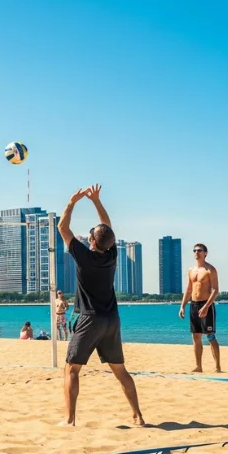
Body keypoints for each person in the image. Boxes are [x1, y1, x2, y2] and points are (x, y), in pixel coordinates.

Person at [57, 183, 144, 427]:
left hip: (90, 319)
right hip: (111, 320)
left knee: (71, 369)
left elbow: (62, 227)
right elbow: (107, 228)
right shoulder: (112, 254)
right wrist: (96, 201)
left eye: (91, 234)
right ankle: (138, 415)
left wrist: (72, 201)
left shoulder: (84, 256)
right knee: (120, 371)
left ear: (92, 242)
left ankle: (69, 419)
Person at [178, 243, 221, 372]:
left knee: (210, 335)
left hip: (206, 305)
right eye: (194, 250)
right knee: (196, 336)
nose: (196, 252)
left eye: (199, 250)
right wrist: (182, 306)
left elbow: (216, 290)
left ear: (205, 253)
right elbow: (189, 289)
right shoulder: (191, 270)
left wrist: (207, 306)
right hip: (194, 305)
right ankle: (198, 366)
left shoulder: (210, 269)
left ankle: (217, 366)